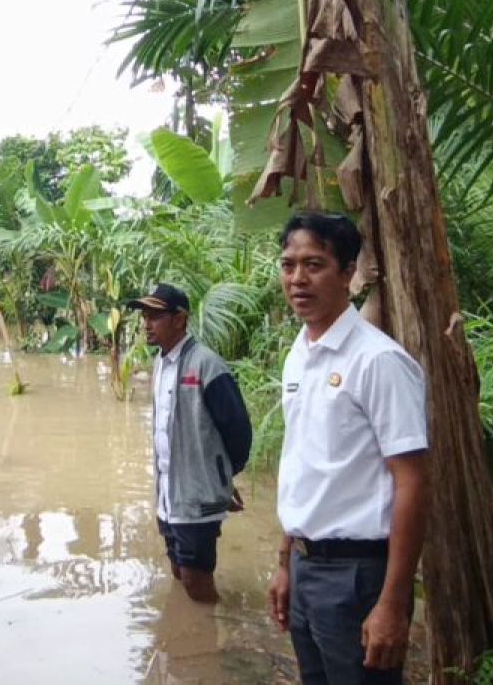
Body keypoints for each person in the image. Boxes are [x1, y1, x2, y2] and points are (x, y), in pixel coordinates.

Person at [267, 213, 430, 684]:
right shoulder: (300, 352)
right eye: (288, 264)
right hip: (306, 566)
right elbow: (303, 463)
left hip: (358, 575)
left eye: (314, 264)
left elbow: (412, 480)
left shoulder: (378, 362)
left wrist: (393, 603)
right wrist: (285, 562)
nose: (297, 278)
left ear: (348, 273)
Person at [127, 283, 252, 603]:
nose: (147, 324)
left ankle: (210, 637)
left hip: (197, 498)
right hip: (168, 493)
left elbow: (238, 431)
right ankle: (189, 636)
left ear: (179, 320)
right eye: (145, 316)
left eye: (155, 316)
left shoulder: (207, 365)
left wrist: (220, 478)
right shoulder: (160, 364)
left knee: (197, 580)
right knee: (178, 572)